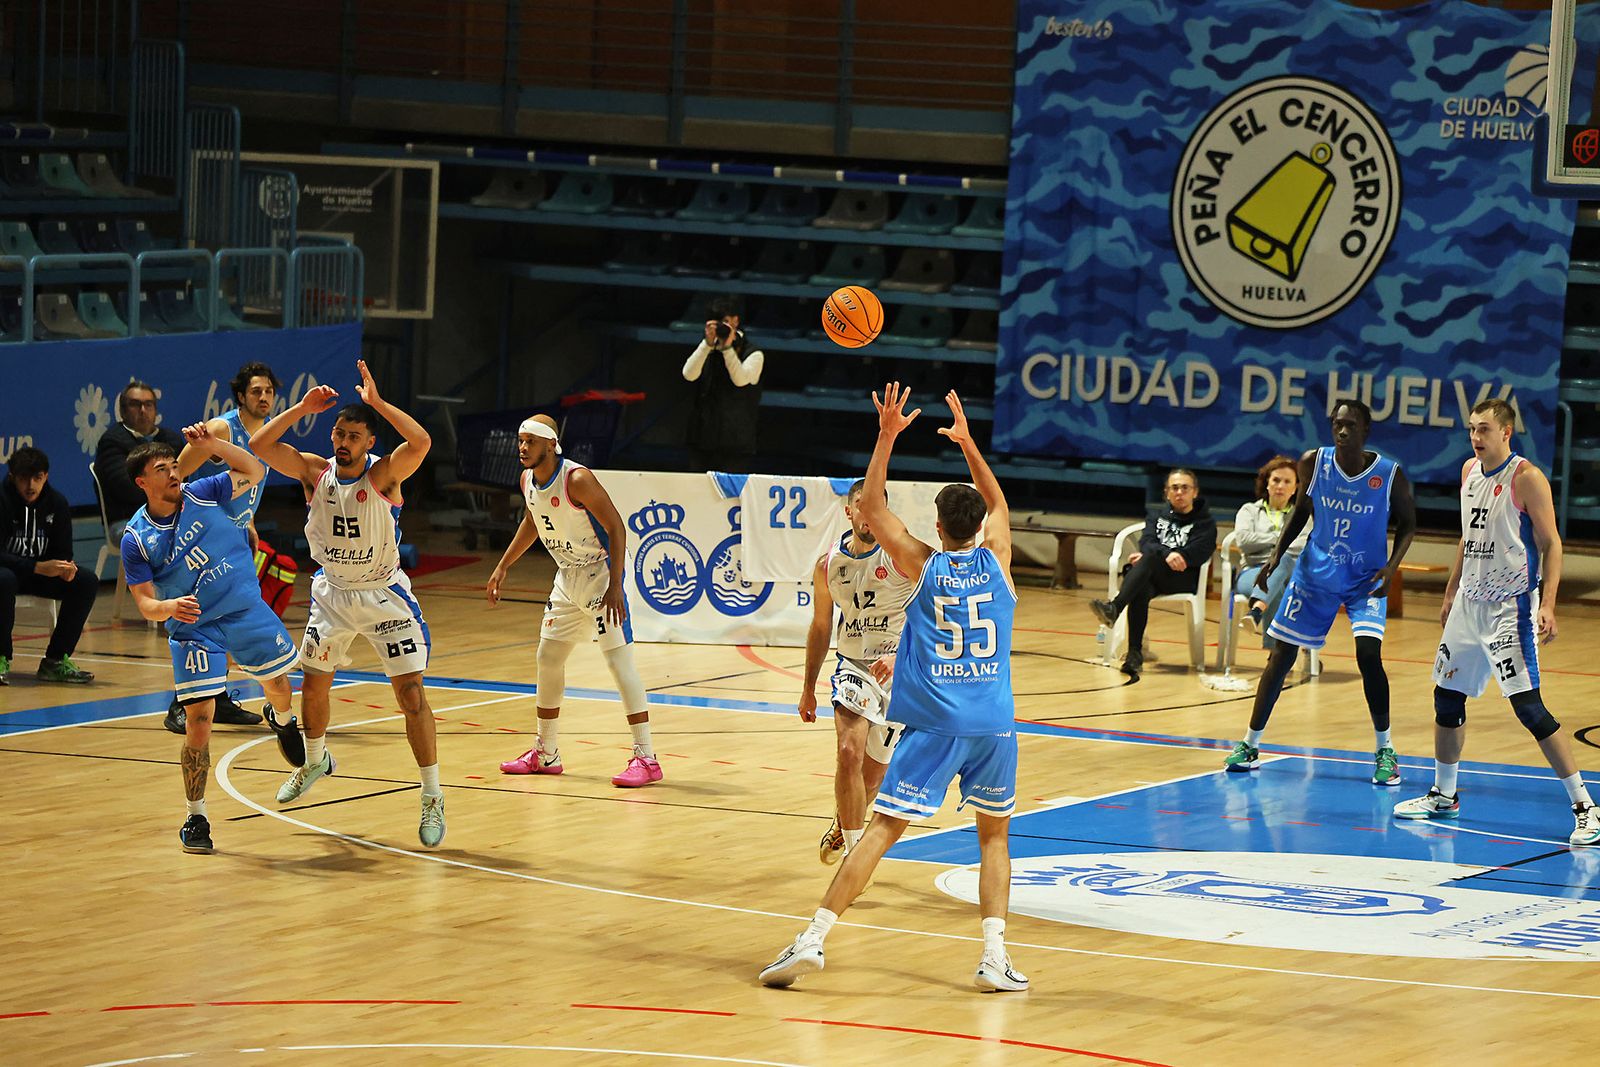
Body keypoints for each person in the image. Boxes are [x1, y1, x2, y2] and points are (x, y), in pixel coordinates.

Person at [760, 386, 1028, 993]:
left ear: (936, 526)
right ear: (981, 527)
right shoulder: (1000, 559)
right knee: (994, 838)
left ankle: (812, 938)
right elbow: (997, 501)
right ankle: (994, 956)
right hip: (995, 725)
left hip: (936, 725)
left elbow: (875, 505)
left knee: (881, 831)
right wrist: (969, 443)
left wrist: (886, 435)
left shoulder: (921, 563)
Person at [249, 360, 446, 848]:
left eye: (354, 436)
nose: (343, 441)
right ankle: (315, 760)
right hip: (334, 593)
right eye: (339, 433)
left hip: (383, 594)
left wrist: (378, 403)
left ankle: (432, 795)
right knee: (313, 687)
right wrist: (301, 408)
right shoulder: (316, 472)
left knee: (411, 697)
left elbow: (421, 442)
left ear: (369, 442)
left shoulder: (383, 476)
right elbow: (260, 447)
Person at [1394, 399, 1599, 845]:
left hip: (1510, 607)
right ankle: (1444, 795)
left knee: (1529, 709)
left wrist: (1548, 604)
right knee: (1446, 699)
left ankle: (1586, 807)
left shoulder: (1526, 478)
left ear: (1506, 432)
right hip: (1469, 605)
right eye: (1471, 428)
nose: (1475, 437)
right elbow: (1468, 538)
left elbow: (1552, 544)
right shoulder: (1469, 471)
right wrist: (1451, 591)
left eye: (1484, 429)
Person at [121, 428, 299, 854]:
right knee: (199, 722)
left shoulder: (203, 492)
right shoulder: (137, 538)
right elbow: (145, 603)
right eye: (161, 470)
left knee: (278, 685)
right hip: (195, 627)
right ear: (142, 482)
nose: (172, 474)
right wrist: (168, 607)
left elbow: (254, 470)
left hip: (242, 608)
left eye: (174, 466)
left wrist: (213, 446)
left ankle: (282, 719)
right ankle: (195, 816)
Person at [1222, 400, 1416, 785]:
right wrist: (1276, 556)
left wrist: (1392, 567)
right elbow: (1300, 511)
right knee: (1281, 655)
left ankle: (1386, 750)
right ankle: (1250, 743)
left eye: (1350, 425)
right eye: (1336, 424)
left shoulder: (1388, 474)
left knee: (1368, 655)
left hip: (1365, 578)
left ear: (1366, 430)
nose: (1342, 431)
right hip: (1316, 573)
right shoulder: (1313, 462)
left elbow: (1408, 525)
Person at [489, 414, 662, 788]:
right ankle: (546, 753)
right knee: (548, 657)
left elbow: (616, 527)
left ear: (551, 445)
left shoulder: (577, 479)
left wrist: (616, 584)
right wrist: (504, 565)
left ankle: (646, 758)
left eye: (531, 441)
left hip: (601, 574)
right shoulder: (527, 480)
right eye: (520, 440)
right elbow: (534, 521)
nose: (523, 447)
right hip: (567, 577)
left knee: (618, 662)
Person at [159, 362, 290, 734]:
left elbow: (248, 488)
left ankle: (216, 697)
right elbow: (176, 476)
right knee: (200, 620)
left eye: (268, 391)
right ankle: (181, 704)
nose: (263, 397)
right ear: (240, 396)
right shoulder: (221, 430)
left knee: (228, 618)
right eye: (256, 391)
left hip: (234, 537)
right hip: (204, 538)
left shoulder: (266, 432)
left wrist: (248, 522)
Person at [800, 477, 915, 864]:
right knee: (849, 750)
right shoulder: (828, 565)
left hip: (898, 672)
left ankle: (843, 822)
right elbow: (820, 627)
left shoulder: (902, 556)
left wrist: (903, 656)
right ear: (848, 511)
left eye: (876, 507)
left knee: (873, 777)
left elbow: (932, 613)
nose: (868, 514)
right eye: (862, 506)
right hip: (854, 665)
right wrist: (808, 689)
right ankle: (853, 856)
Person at [1089, 469, 1217, 681]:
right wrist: (1166, 554)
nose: (1179, 492)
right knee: (1142, 585)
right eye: (1174, 488)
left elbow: (1199, 552)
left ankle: (1115, 607)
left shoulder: (1206, 523)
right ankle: (1134, 654)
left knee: (1146, 561)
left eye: (1185, 488)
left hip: (1184, 578)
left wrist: (1168, 555)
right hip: (1155, 575)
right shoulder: (1156, 517)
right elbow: (1146, 542)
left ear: (1195, 492)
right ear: (1166, 492)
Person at [0, 446, 96, 685]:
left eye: (37, 478)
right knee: (4, 579)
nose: (30, 485)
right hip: (7, 573)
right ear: (12, 477)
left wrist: (65, 569)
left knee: (85, 581)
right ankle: (1, 657)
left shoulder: (57, 503)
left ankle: (55, 661)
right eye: (23, 478)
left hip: (38, 574)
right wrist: (37, 567)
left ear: (46, 477)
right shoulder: (2, 501)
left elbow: (63, 552)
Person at [682, 295, 764, 473]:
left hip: (735, 443)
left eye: (725, 322)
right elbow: (688, 374)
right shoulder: (707, 349)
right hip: (702, 439)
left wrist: (727, 349)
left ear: (735, 321)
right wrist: (706, 344)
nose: (721, 327)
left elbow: (740, 380)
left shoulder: (753, 353)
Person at [1234, 455, 1308, 634]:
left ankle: (1256, 611)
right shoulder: (1249, 510)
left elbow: (1302, 546)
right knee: (1278, 582)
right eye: (1276, 480)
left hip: (1290, 573)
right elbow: (1244, 541)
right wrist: (1281, 539)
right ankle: (1274, 649)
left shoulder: (1302, 516)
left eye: (1287, 481)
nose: (1280, 486)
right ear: (1267, 483)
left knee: (1283, 561)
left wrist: (1267, 545)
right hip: (1252, 573)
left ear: (1295, 487)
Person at [94, 380, 185, 522]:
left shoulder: (171, 439)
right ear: (122, 411)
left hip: (177, 513)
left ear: (155, 410)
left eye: (148, 404)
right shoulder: (112, 441)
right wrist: (169, 491)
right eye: (135, 404)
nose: (143, 410)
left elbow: (186, 477)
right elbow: (127, 490)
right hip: (129, 518)